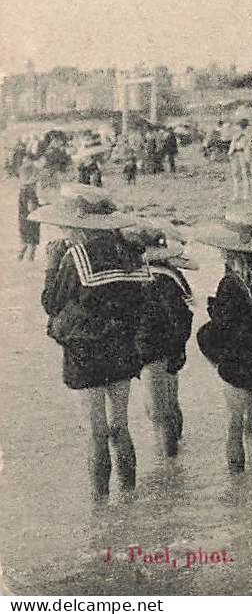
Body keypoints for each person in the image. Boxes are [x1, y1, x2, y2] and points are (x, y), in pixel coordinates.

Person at [34, 185, 152, 498]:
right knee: (120, 427)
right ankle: (129, 497)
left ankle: (100, 508)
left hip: (86, 351)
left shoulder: (77, 256)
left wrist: (50, 265)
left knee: (97, 433)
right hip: (123, 348)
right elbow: (140, 302)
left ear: (77, 224)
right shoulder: (129, 252)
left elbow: (51, 302)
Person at [196, 272, 252, 471]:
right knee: (251, 419)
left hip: (233, 358)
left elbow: (221, 322)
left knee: (235, 422)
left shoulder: (229, 281)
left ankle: (237, 482)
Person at [134, 238, 192, 458]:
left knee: (158, 413)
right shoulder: (172, 275)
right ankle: (176, 452)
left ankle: (170, 467)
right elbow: (183, 316)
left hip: (151, 350)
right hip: (169, 350)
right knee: (170, 405)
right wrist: (178, 348)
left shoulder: (150, 278)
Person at [17, 159, 41, 262]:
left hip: (23, 219)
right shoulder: (31, 192)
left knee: (25, 241)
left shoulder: (22, 191)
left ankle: (19, 258)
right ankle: (30, 261)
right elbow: (32, 208)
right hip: (31, 221)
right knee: (32, 243)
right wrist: (42, 207)